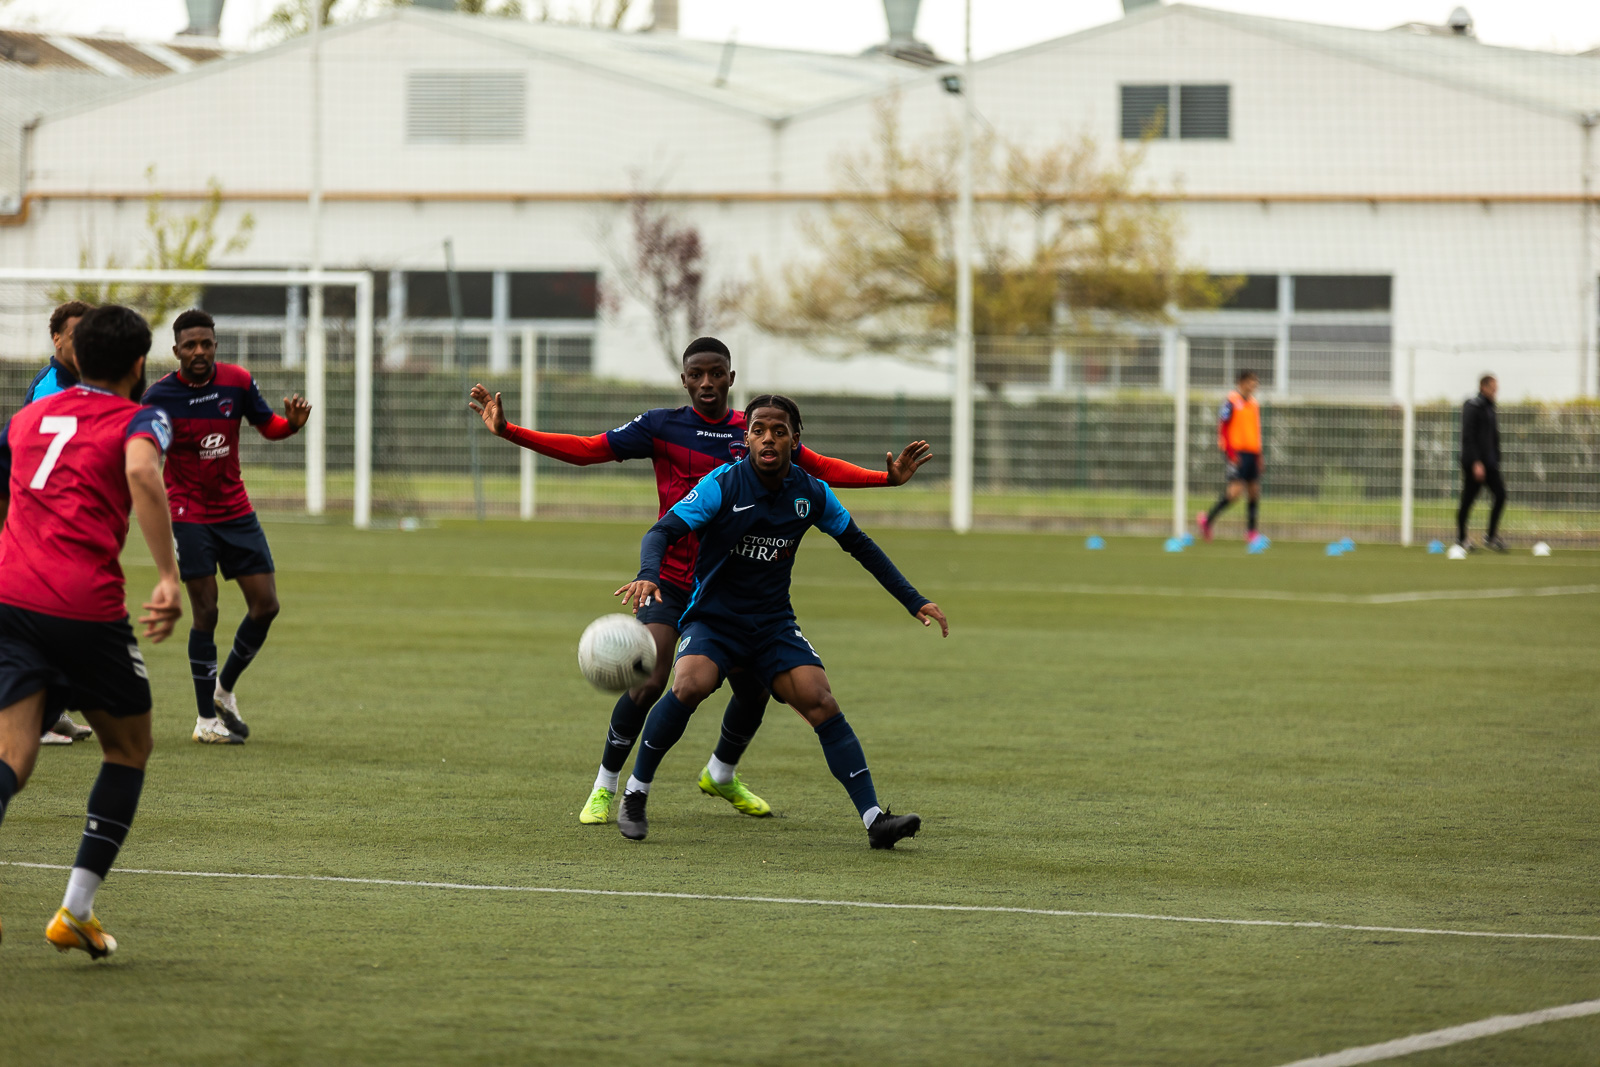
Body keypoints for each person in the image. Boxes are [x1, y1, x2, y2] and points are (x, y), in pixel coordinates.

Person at [470, 337, 932, 825]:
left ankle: (721, 773)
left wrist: (886, 479)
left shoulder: (758, 429)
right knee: (653, 678)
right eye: (697, 374)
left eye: (717, 374)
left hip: (737, 584)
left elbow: (818, 470)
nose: (707, 382)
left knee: (754, 689)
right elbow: (588, 450)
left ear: (731, 378)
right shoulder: (661, 426)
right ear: (685, 379)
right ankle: (608, 786)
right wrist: (511, 433)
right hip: (670, 579)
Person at [613, 394, 948, 849]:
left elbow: (860, 545)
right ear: (746, 437)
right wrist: (648, 573)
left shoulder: (810, 492)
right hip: (715, 619)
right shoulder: (722, 485)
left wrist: (914, 600)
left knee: (820, 701)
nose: (767, 438)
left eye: (778, 430)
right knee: (690, 684)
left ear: (795, 438)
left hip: (772, 625)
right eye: (758, 430)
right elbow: (662, 531)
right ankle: (636, 793)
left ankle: (875, 821)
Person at [0, 304, 183, 959]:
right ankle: (75, 910)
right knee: (129, 746)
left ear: (75, 356)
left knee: (13, 757)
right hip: (82, 606)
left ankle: (77, 913)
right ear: (140, 364)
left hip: (10, 597)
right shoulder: (141, 415)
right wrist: (167, 574)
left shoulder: (25, 417)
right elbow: (140, 469)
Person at [141, 309, 311, 744]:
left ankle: (224, 689)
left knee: (266, 605)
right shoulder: (158, 398)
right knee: (207, 611)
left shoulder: (236, 381)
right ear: (176, 349)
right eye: (190, 345)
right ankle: (205, 721)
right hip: (188, 514)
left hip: (235, 510)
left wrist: (289, 426)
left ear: (215, 345)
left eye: (207, 343)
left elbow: (267, 424)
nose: (199, 351)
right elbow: (142, 457)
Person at [24, 300, 97, 745]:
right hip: (47, 522)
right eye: (77, 333)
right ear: (57, 339)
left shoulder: (88, 382)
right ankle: (37, 714)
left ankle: (52, 711)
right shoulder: (53, 388)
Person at [1197, 369, 1264, 545]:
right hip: (1236, 453)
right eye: (1251, 381)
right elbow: (1223, 427)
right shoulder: (1231, 402)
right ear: (1242, 382)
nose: (1254, 385)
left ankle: (1251, 532)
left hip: (1252, 453)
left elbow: (1256, 431)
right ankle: (1207, 520)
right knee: (1234, 493)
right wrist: (1230, 452)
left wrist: (1259, 455)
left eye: (1255, 382)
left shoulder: (1254, 404)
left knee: (1254, 491)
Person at [1457, 374, 1506, 552]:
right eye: (1493, 388)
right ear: (1483, 387)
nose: (1496, 392)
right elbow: (1468, 437)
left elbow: (1492, 437)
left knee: (1500, 495)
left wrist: (1496, 457)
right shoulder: (1473, 406)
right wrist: (1476, 462)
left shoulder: (1490, 408)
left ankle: (1491, 536)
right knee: (1468, 500)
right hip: (1475, 463)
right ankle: (1461, 538)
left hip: (1490, 463)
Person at [24, 300, 91, 405]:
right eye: (76, 337)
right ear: (57, 340)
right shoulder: (51, 390)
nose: (84, 344)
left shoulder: (73, 380)